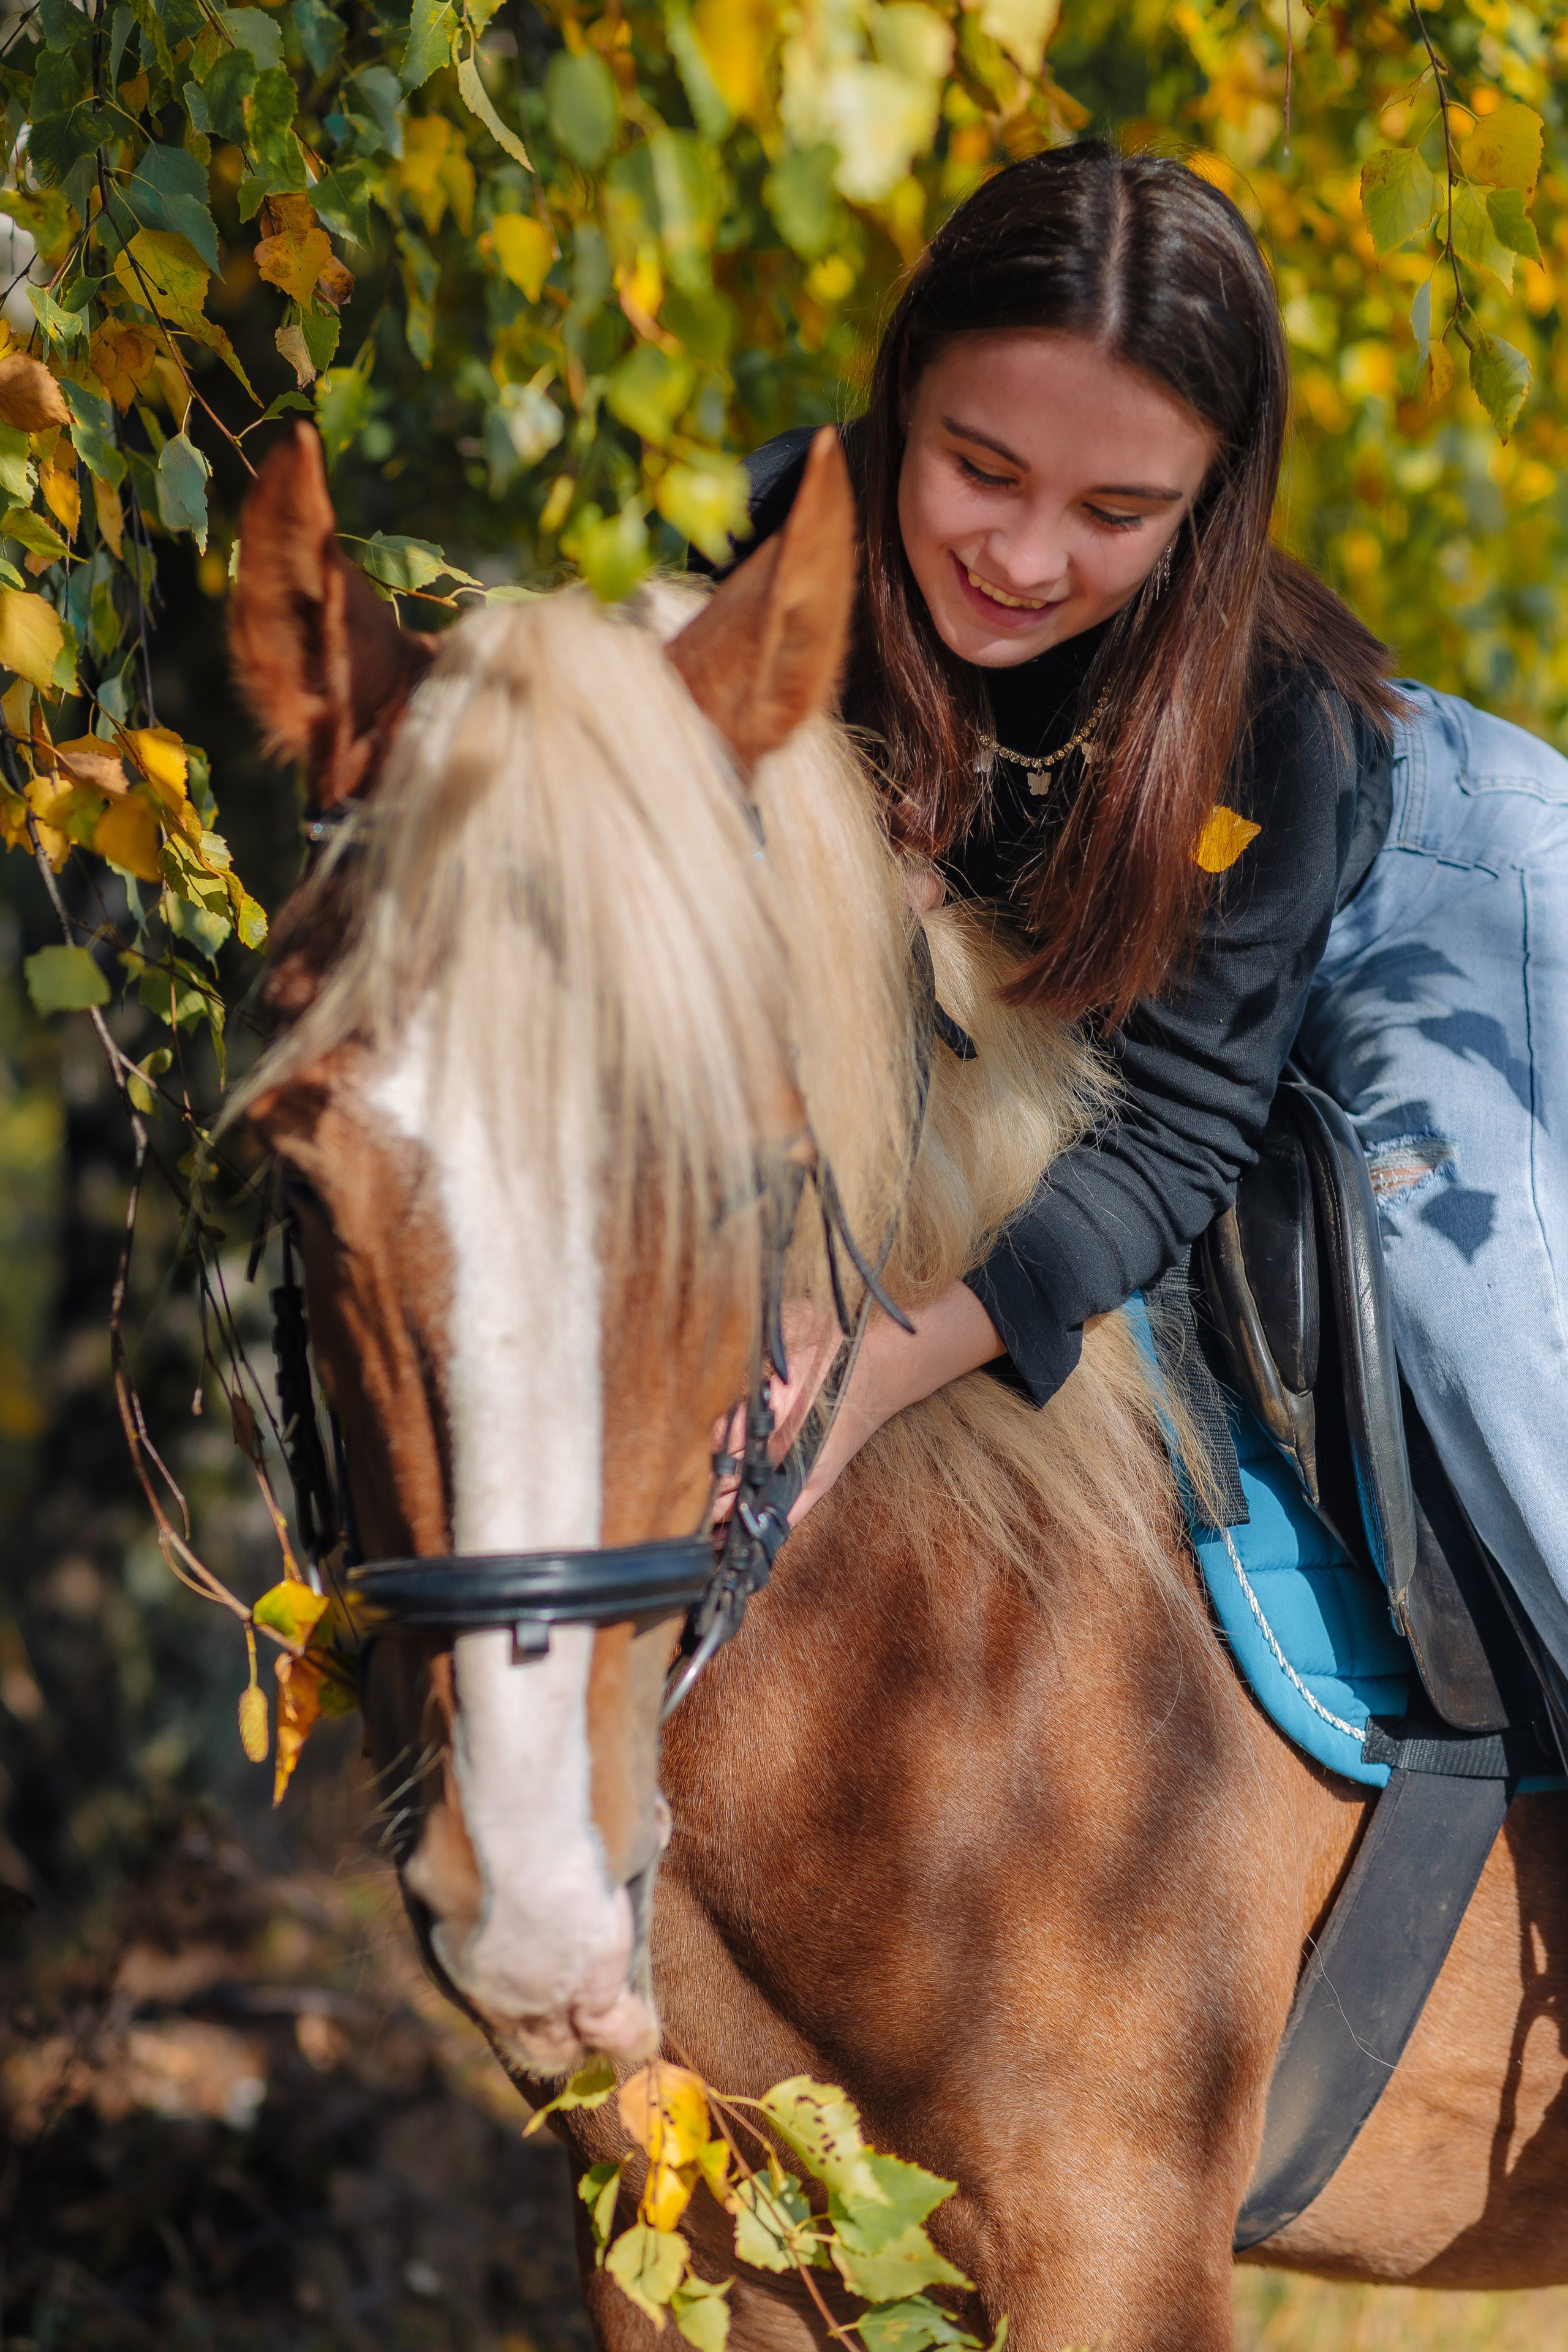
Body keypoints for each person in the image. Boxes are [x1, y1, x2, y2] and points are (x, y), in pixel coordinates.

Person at [707, 142, 1568, 1679]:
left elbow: (1175, 1130)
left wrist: (877, 1374)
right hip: (1149, 955)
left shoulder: (1270, 722)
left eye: (1115, 509)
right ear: (903, 392)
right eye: (978, 469)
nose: (1022, 559)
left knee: (1470, 1322)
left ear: (1209, 499)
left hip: (1433, 894)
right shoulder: (770, 549)